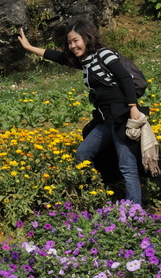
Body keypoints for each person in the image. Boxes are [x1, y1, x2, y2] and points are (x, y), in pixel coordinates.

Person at [18, 20, 145, 205]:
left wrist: (133, 107)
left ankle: (134, 211)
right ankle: (96, 197)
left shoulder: (104, 54)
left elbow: (124, 78)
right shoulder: (86, 60)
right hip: (106, 120)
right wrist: (30, 48)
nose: (72, 45)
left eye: (76, 40)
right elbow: (59, 57)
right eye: (69, 42)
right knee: (83, 154)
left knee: (127, 165)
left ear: (87, 38)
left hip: (121, 117)